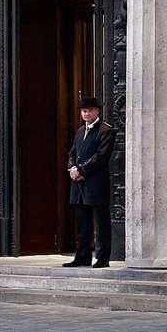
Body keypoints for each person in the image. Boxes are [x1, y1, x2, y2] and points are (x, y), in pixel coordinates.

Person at [63, 97, 115, 267]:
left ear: (97, 111)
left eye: (89, 110)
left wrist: (82, 170)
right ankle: (82, 256)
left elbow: (101, 157)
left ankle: (102, 258)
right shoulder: (79, 131)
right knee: (82, 223)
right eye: (83, 111)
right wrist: (72, 168)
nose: (86, 113)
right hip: (78, 184)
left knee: (101, 222)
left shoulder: (105, 130)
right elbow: (72, 153)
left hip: (96, 183)